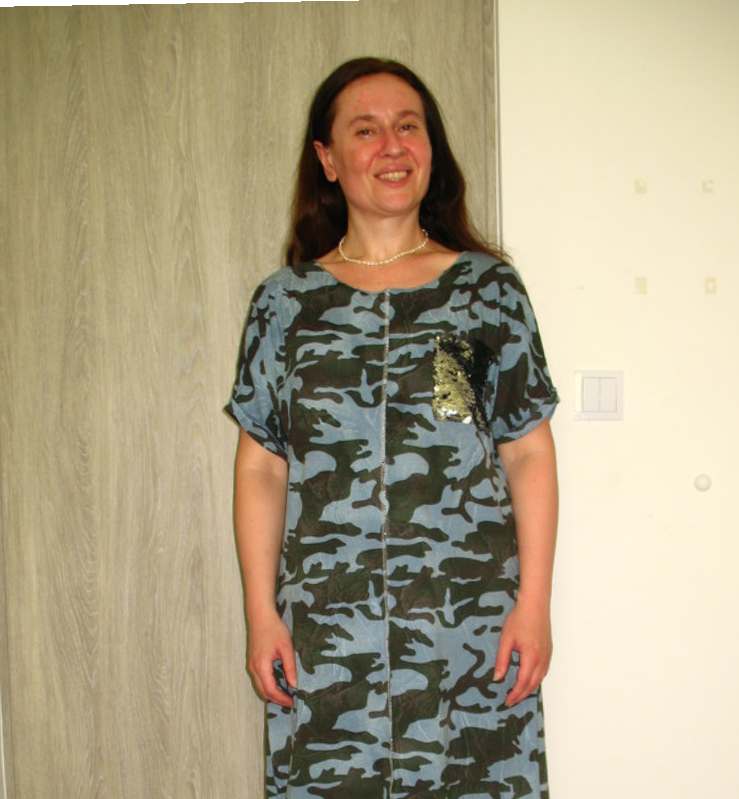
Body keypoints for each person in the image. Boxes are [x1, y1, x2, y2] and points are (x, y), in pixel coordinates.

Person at [226, 56, 559, 799]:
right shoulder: (285, 304)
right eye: (365, 130)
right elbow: (262, 466)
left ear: (430, 149)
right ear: (328, 159)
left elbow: (526, 451)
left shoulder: (481, 291)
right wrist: (260, 615)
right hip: (326, 631)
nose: (391, 146)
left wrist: (533, 604)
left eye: (408, 127)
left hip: (463, 624)